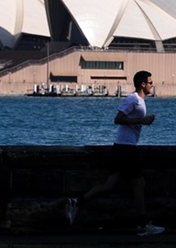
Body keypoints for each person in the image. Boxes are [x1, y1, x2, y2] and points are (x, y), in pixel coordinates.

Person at [65, 70, 165, 236]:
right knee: (139, 184)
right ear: (142, 84)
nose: (152, 84)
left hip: (121, 147)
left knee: (110, 184)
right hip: (126, 148)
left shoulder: (140, 100)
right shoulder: (133, 99)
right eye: (150, 82)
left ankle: (76, 202)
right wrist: (143, 121)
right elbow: (117, 119)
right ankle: (142, 225)